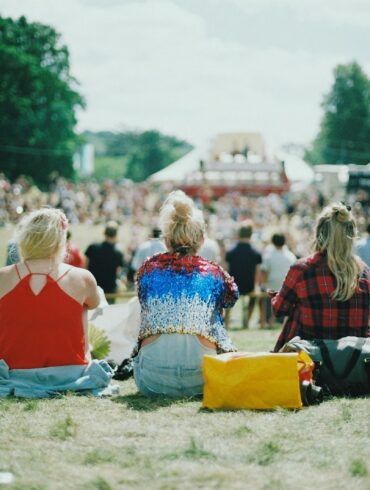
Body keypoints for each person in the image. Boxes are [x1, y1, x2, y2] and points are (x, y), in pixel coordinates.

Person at [0, 208, 116, 397]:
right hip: (69, 373)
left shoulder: (2, 276)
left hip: (12, 371)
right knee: (87, 301)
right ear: (60, 241)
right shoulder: (82, 278)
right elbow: (95, 304)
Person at [134, 190, 239, 397]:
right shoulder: (215, 273)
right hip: (203, 378)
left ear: (166, 240)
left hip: (152, 379)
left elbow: (143, 300)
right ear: (201, 240)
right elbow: (231, 298)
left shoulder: (148, 268)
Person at [272, 203, 370, 352]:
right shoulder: (363, 272)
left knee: (297, 310)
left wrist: (276, 295)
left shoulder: (302, 269)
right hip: (353, 364)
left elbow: (279, 309)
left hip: (311, 361)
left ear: (319, 233)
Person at [225, 221, 262, 328]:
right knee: (254, 297)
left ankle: (227, 320)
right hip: (249, 286)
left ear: (239, 234)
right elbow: (257, 272)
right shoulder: (256, 252)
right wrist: (256, 287)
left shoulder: (230, 251)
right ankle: (247, 321)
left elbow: (226, 271)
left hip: (234, 286)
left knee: (229, 296)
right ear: (251, 234)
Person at [260, 233, 296, 327]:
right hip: (286, 287)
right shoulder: (291, 256)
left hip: (271, 286)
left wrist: (262, 284)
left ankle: (264, 321)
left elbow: (264, 272)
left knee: (262, 293)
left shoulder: (268, 255)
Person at [85, 221, 124, 302]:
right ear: (116, 235)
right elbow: (118, 272)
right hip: (110, 291)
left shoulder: (92, 247)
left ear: (104, 233)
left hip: (93, 288)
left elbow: (85, 266)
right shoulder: (118, 253)